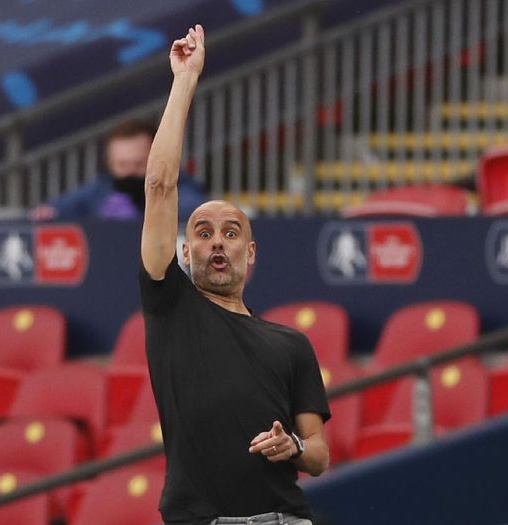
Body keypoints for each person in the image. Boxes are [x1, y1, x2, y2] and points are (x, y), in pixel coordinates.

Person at [139, 24, 331, 525]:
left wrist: (290, 444)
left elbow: (319, 455)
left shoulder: (292, 345)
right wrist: (185, 80)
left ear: (252, 252)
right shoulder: (171, 307)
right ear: (184, 251)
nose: (217, 241)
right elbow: (160, 185)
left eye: (230, 232)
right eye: (203, 232)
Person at [30, 119, 206, 221]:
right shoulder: (102, 188)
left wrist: (143, 216)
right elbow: (54, 209)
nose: (129, 173)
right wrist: (48, 214)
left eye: (139, 164)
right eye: (122, 165)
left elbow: (196, 214)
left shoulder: (180, 188)